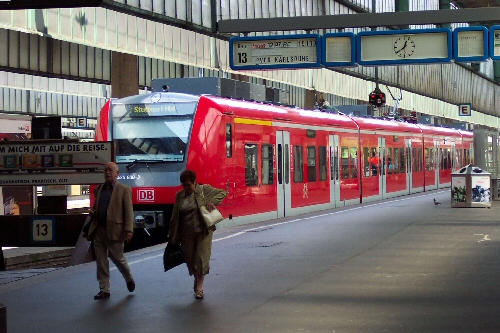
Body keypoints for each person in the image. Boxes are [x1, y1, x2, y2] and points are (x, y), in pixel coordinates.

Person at [168, 170, 227, 299]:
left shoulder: (203, 190)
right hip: (186, 234)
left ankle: (199, 287)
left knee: (201, 259)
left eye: (188, 185)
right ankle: (197, 277)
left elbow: (223, 193)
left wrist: (212, 202)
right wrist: (172, 235)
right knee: (191, 261)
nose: (186, 188)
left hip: (203, 231)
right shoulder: (179, 196)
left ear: (195, 182)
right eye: (184, 185)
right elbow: (175, 216)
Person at [87, 162, 135, 300]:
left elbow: (129, 211)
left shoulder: (124, 189)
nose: (107, 172)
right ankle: (104, 289)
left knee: (118, 259)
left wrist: (129, 229)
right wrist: (93, 211)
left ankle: (128, 278)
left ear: (117, 173)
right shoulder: (100, 188)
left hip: (115, 230)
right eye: (105, 170)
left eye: (110, 170)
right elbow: (97, 206)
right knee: (101, 261)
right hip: (99, 230)